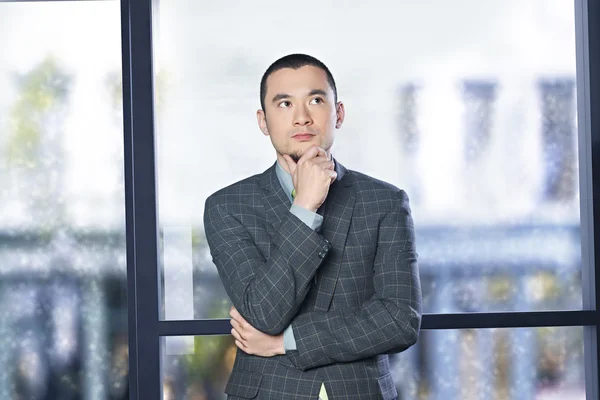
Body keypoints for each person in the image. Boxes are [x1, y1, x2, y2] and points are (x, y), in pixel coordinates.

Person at [204, 53, 422, 400]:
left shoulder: (385, 202)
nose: (302, 117)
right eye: (285, 103)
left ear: (338, 113)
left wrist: (285, 343)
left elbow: (399, 321)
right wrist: (305, 206)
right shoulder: (228, 207)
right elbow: (263, 313)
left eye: (316, 100)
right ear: (263, 121)